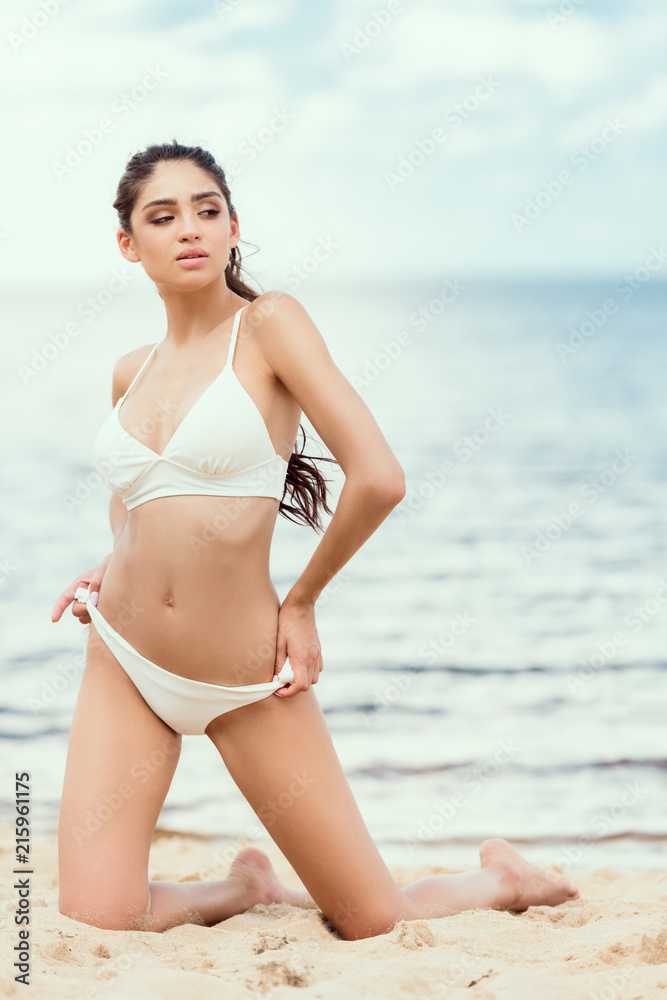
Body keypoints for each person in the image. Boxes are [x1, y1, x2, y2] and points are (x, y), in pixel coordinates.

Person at [52, 139, 580, 940]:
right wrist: (111, 559)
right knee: (95, 915)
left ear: (234, 228)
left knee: (373, 922)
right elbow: (137, 495)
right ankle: (237, 890)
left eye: (207, 210)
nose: (189, 229)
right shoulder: (131, 369)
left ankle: (499, 877)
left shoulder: (269, 326)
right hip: (122, 657)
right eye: (162, 216)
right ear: (129, 244)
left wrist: (300, 604)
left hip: (248, 674)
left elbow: (380, 477)